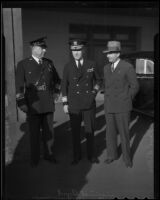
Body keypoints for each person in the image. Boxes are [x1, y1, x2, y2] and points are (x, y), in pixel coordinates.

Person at [15, 37, 61, 167]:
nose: (45, 50)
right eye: (42, 48)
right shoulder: (23, 64)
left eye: (44, 48)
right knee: (34, 133)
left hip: (47, 102)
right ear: (34, 49)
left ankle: (49, 154)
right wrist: (21, 102)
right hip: (33, 105)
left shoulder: (49, 63)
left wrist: (56, 93)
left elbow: (58, 80)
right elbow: (18, 85)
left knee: (49, 132)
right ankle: (34, 158)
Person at [61, 39, 101, 165]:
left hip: (89, 103)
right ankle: (76, 156)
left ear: (82, 50)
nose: (76, 52)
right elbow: (64, 86)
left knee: (90, 130)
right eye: (74, 50)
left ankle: (92, 155)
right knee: (75, 132)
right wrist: (65, 103)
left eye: (78, 50)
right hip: (74, 104)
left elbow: (99, 80)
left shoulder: (91, 64)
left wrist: (94, 93)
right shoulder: (67, 66)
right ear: (71, 51)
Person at [102, 41, 139, 168]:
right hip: (109, 105)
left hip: (123, 106)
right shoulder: (106, 68)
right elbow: (106, 85)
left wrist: (127, 98)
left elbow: (135, 86)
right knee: (110, 133)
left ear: (117, 53)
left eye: (110, 53)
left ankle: (127, 158)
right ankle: (111, 155)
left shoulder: (127, 67)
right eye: (107, 54)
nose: (108, 56)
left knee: (124, 134)